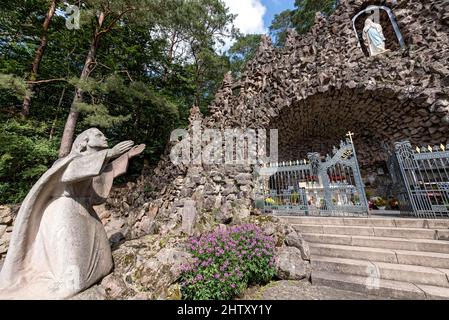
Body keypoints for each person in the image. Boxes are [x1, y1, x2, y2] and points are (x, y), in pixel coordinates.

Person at [0, 128, 145, 299]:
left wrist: (127, 156)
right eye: (98, 135)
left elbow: (103, 171)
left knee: (104, 262)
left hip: (84, 210)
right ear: (84, 141)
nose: (104, 137)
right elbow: (76, 170)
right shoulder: (67, 162)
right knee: (73, 279)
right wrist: (110, 153)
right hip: (65, 211)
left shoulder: (93, 163)